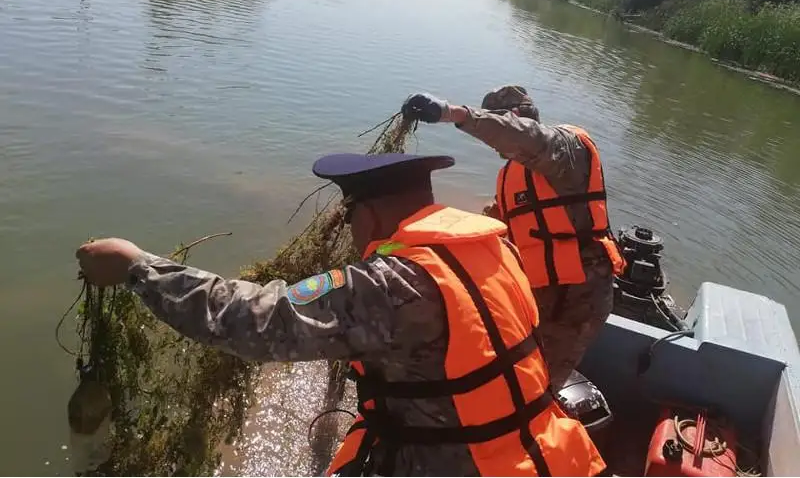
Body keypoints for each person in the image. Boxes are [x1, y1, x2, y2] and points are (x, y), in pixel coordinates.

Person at [76, 152, 607, 477]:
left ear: (369, 213)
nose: (350, 231)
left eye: (348, 215)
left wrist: (138, 267)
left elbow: (258, 319)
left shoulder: (395, 284)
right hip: (544, 457)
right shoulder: (495, 249)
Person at [401, 87, 625, 389]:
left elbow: (524, 136)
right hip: (538, 294)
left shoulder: (566, 150)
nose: (493, 147)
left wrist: (451, 113)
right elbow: (493, 229)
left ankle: (537, 426)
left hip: (578, 300)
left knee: (537, 386)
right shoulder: (512, 177)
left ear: (515, 118)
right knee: (504, 370)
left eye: (498, 127)